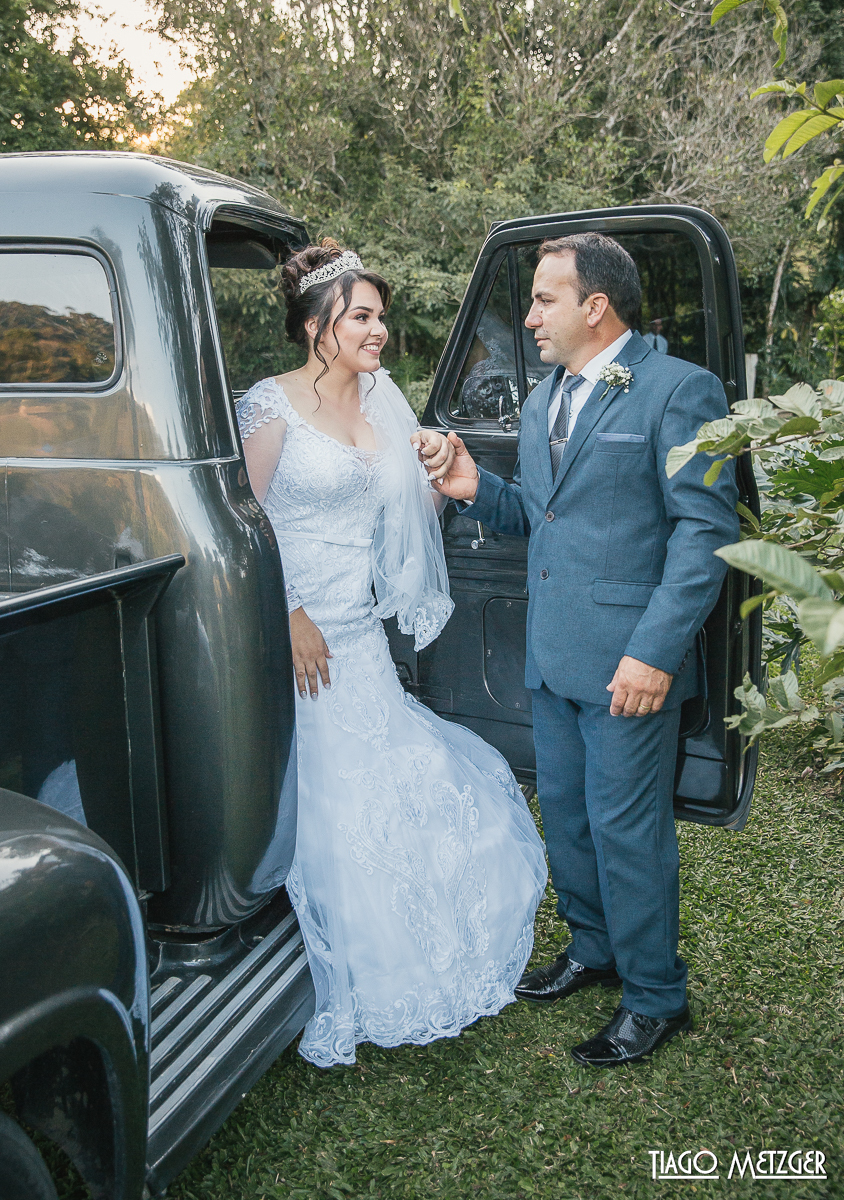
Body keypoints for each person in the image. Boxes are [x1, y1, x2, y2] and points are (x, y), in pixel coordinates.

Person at [237, 239, 547, 1068]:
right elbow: (241, 524)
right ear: (316, 327)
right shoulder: (268, 407)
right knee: (335, 793)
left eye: (380, 315)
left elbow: (409, 499)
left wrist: (439, 459)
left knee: (398, 774)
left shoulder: (382, 399)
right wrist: (287, 611)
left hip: (359, 633)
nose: (380, 330)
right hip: (298, 628)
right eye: (363, 316)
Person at [435, 233, 739, 1068]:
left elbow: (704, 534)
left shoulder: (681, 389)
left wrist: (655, 653)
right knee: (566, 816)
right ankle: (593, 948)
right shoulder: (542, 404)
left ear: (594, 305)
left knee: (626, 829)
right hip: (553, 656)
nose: (529, 316)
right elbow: (546, 516)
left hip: (630, 668)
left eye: (543, 299)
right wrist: (474, 488)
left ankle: (653, 996)